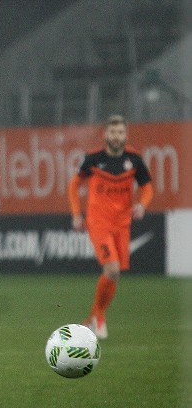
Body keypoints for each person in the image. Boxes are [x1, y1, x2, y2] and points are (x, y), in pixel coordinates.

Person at [67, 115, 153, 339]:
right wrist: (77, 214)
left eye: (121, 132)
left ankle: (93, 317)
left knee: (114, 275)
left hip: (122, 224)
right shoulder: (94, 159)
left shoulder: (134, 159)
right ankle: (99, 317)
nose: (117, 136)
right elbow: (74, 185)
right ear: (106, 134)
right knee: (112, 269)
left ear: (126, 135)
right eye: (113, 132)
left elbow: (147, 186)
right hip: (98, 222)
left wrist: (142, 205)